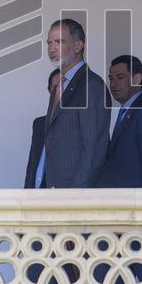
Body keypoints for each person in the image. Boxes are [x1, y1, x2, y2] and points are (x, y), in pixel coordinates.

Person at [38, 18, 109, 188]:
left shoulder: (91, 85)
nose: (52, 48)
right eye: (49, 43)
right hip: (54, 191)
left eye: (59, 42)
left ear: (78, 46)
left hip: (75, 195)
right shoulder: (59, 86)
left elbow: (94, 150)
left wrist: (74, 195)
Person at [95, 55, 142, 188]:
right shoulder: (127, 111)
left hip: (139, 199)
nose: (113, 84)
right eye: (111, 78)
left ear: (137, 79)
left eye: (120, 77)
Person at [24, 68, 60, 189]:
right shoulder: (39, 124)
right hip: (34, 196)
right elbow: (32, 166)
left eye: (65, 87)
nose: (60, 92)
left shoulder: (77, 127)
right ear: (49, 91)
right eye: (56, 87)